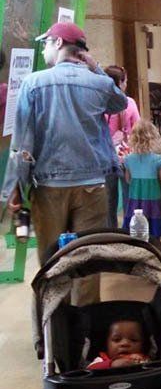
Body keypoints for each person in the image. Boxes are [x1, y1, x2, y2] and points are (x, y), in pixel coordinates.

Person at [1, 22, 128, 304]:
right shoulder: (100, 83)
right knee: (88, 262)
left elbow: (22, 144)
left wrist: (15, 188)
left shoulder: (34, 83)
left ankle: (53, 331)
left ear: (58, 43)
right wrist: (96, 68)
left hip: (49, 187)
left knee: (52, 263)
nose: (44, 49)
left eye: (46, 43)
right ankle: (85, 331)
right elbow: (120, 103)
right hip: (93, 186)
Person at [122, 121, 161, 251]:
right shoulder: (157, 160)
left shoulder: (128, 160)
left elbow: (128, 180)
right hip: (154, 200)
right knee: (155, 230)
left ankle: (140, 250)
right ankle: (156, 251)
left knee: (137, 230)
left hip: (136, 200)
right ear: (153, 138)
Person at [104, 65, 141, 227]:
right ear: (120, 82)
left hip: (106, 156)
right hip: (128, 157)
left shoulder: (101, 104)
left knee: (109, 200)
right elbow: (138, 130)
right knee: (128, 197)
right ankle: (128, 231)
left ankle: (111, 233)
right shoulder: (130, 103)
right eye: (125, 81)